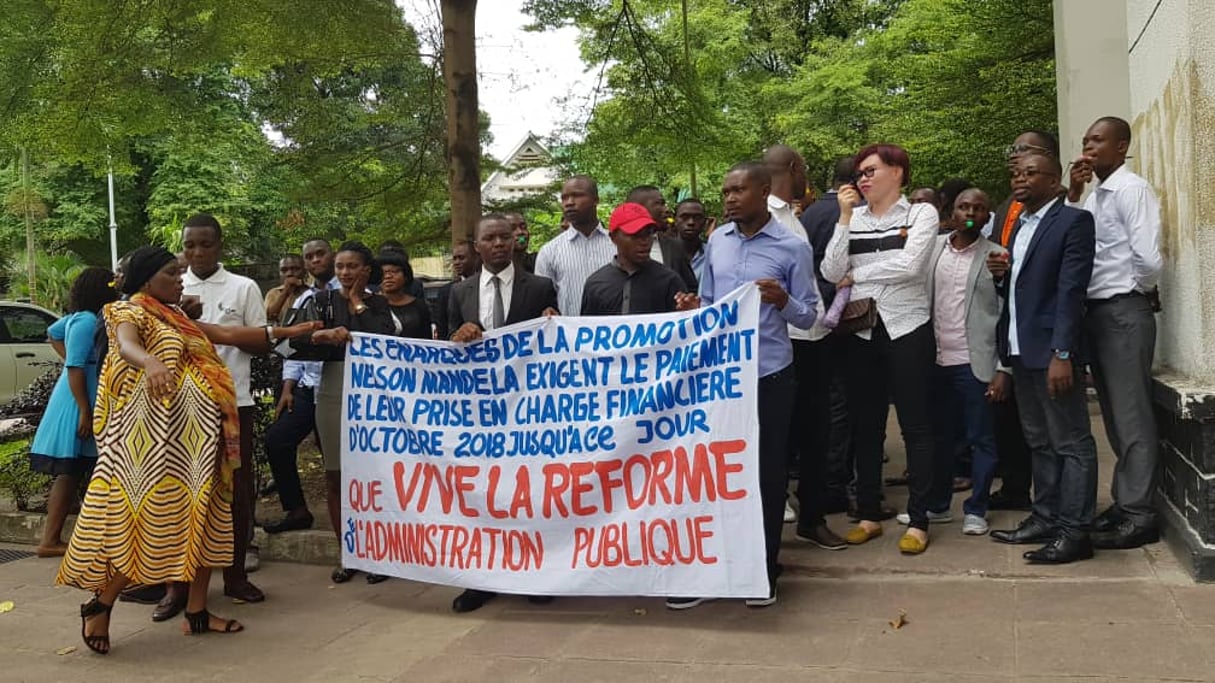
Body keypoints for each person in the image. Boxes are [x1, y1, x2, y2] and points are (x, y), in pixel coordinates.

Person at [57, 246, 316, 654]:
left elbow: (230, 335)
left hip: (199, 442)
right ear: (146, 280)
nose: (181, 279)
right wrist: (151, 363)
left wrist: (292, 334)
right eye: (172, 273)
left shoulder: (177, 316)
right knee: (149, 526)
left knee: (208, 520)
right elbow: (125, 346)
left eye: (180, 274)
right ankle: (99, 603)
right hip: (154, 448)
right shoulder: (130, 312)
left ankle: (197, 613)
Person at [666, 161, 818, 610]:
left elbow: (810, 316)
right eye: (725, 190)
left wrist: (782, 300)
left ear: (764, 191)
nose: (729, 198)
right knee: (714, 474)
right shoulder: (717, 241)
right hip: (720, 377)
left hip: (768, 375)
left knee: (766, 476)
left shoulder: (793, 247)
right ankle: (709, 569)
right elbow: (711, 304)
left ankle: (764, 571)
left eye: (738, 190)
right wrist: (694, 306)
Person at [821, 144, 940, 555]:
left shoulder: (920, 213)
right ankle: (869, 514)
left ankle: (920, 519)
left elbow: (911, 266)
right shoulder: (853, 220)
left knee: (917, 425)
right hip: (861, 332)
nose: (863, 179)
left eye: (871, 170)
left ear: (898, 172)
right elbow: (830, 270)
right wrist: (843, 218)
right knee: (864, 425)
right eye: (860, 173)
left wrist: (858, 274)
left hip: (908, 328)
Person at [987, 152, 1098, 565]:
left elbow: (1071, 292)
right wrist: (1001, 276)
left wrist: (1063, 353)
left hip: (1052, 352)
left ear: (1055, 182)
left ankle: (1075, 532)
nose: (1021, 179)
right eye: (1017, 172)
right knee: (1039, 440)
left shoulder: (1073, 222)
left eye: (1032, 173)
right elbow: (1019, 291)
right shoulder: (1019, 227)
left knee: (1071, 442)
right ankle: (1046, 516)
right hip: (1020, 349)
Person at [446, 214, 559, 613]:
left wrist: (552, 325)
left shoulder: (541, 286)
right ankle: (483, 578)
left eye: (504, 237)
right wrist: (458, 336)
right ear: (476, 246)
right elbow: (446, 348)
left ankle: (537, 573)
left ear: (516, 240)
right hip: (479, 413)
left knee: (529, 491)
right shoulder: (458, 293)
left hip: (527, 412)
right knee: (485, 493)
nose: (498, 244)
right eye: (489, 238)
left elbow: (555, 346)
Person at [1068, 116, 1164, 551]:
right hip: (1100, 313)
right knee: (1114, 415)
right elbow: (1073, 238)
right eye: (1086, 139)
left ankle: (1140, 514)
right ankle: (1126, 503)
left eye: (1098, 140)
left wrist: (1137, 291)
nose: (1089, 146)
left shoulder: (1130, 190)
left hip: (1123, 310)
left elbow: (1147, 257)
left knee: (1132, 416)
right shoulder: (1096, 197)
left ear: (1121, 147)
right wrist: (1073, 190)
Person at [174, 213, 267, 617]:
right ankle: (176, 588)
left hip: (234, 405)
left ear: (220, 246)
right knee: (180, 494)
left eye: (205, 244)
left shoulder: (243, 287)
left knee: (237, 492)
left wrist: (205, 325)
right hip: (181, 407)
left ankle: (235, 576)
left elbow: (262, 342)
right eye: (189, 244)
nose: (196, 252)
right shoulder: (170, 285)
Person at [295, 241, 396, 585]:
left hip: (374, 394)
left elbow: (386, 340)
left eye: (352, 266)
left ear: (367, 269)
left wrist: (356, 303)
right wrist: (321, 335)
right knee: (336, 474)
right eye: (339, 267)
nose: (344, 273)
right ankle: (347, 553)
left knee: (375, 475)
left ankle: (379, 555)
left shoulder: (381, 303)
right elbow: (291, 342)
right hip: (334, 389)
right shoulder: (319, 301)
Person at [761, 144, 844, 549]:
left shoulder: (794, 217)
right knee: (783, 435)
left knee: (817, 433)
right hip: (786, 341)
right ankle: (775, 523)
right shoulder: (767, 217)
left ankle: (812, 516)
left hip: (815, 335)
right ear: (794, 168)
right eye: (805, 169)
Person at [913, 188, 1006, 537]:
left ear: (986, 217)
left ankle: (976, 509)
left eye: (978, 208)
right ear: (951, 212)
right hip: (935, 361)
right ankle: (936, 506)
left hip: (975, 362)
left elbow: (1006, 312)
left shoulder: (997, 256)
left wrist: (1003, 368)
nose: (970, 212)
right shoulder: (932, 249)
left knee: (981, 438)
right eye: (963, 206)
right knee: (938, 438)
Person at [987, 131, 1061, 512]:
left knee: (1058, 433)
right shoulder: (1006, 209)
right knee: (1018, 422)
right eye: (1013, 151)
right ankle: (1018, 487)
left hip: (1045, 337)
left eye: (1025, 152)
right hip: (1009, 328)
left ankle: (1062, 509)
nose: (1015, 159)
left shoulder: (1062, 210)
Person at [27, 267, 117, 557]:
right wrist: (84, 411)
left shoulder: (81, 319)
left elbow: (52, 332)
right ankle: (50, 540)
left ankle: (60, 538)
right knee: (69, 471)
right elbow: (75, 368)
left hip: (81, 399)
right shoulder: (86, 323)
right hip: (78, 403)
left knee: (77, 472)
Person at [262, 238, 339, 535]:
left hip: (338, 389)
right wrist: (287, 388)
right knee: (277, 441)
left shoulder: (347, 294)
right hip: (307, 387)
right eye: (309, 256)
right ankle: (296, 510)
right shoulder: (302, 300)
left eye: (320, 254)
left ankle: (356, 517)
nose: (315, 260)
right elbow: (292, 348)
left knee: (336, 458)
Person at [799, 158, 857, 516]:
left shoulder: (806, 217)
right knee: (845, 405)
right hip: (847, 314)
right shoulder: (851, 213)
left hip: (813, 319)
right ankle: (837, 482)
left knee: (823, 403)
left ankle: (821, 482)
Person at [581, 202, 694, 316]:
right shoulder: (596, 284)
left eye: (648, 234)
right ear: (613, 237)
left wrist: (690, 313)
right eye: (635, 235)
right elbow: (587, 329)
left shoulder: (670, 281)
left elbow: (684, 328)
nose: (644, 241)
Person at [535, 175, 616, 316]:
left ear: (596, 200)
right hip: (570, 335)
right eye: (564, 198)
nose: (569, 203)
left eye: (577, 195)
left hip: (616, 333)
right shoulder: (549, 252)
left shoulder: (617, 244)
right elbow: (541, 302)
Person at [626, 185, 699, 290]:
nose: (666, 210)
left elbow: (690, 289)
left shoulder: (674, 247)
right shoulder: (614, 246)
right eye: (660, 204)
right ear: (638, 208)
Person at [378, 252, 433, 338]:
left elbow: (427, 339)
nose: (388, 276)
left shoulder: (420, 306)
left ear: (406, 276)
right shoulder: (372, 305)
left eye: (394, 271)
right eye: (383, 273)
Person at [433, 240, 478, 340]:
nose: (457, 262)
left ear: (475, 257)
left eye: (461, 258)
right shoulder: (445, 292)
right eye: (454, 259)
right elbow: (442, 330)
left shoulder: (488, 285)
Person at [674, 198, 709, 284]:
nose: (691, 222)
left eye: (697, 218)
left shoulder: (712, 254)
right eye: (684, 217)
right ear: (675, 220)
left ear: (704, 222)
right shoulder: (663, 252)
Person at [263, 254, 307, 324]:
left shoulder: (312, 292)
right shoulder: (273, 293)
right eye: (284, 270)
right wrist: (285, 293)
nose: (289, 273)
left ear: (305, 271)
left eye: (295, 269)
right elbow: (269, 317)